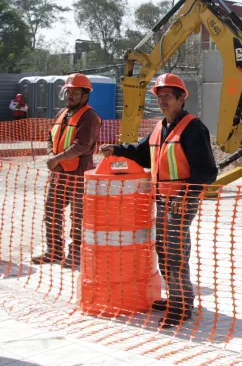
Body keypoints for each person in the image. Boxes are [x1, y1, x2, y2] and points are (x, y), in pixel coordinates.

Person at [100, 73, 217, 329]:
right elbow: (141, 153)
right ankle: (177, 297)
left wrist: (184, 194)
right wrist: (117, 149)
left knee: (174, 252)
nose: (163, 101)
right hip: (162, 200)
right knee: (163, 250)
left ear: (181, 98)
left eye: (168, 97)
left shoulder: (193, 128)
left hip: (181, 201)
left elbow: (208, 171)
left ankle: (181, 306)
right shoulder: (159, 127)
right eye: (160, 97)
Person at [32, 74, 101, 269]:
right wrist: (50, 154)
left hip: (79, 175)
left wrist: (55, 159)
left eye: (74, 93)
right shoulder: (62, 113)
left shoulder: (90, 117)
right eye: (68, 92)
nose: (69, 96)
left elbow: (82, 146)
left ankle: (76, 255)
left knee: (78, 217)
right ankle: (53, 251)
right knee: (52, 211)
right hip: (59, 174)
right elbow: (49, 136)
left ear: (85, 95)